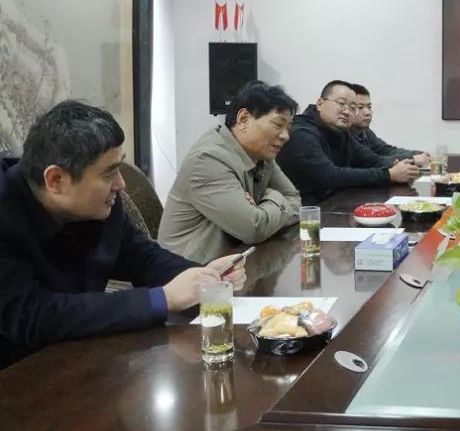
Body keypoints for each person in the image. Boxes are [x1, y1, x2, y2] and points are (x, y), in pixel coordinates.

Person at [0, 101, 246, 369]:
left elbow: (142, 257)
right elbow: (34, 316)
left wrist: (204, 278)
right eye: (109, 174)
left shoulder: (101, 205)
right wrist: (164, 298)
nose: (121, 184)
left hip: (79, 358)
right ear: (56, 180)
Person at [159, 80, 301, 262]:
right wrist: (274, 197)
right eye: (278, 125)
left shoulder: (262, 155)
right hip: (191, 270)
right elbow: (254, 229)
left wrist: (263, 210)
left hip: (235, 262)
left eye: (288, 128)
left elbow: (295, 200)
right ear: (243, 119)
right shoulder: (208, 159)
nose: (285, 136)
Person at [277, 81, 419, 204]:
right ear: (320, 103)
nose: (347, 112)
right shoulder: (301, 134)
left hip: (334, 202)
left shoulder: (340, 131)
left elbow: (370, 159)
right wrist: (388, 174)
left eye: (352, 108)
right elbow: (331, 176)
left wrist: (397, 165)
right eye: (341, 103)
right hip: (305, 211)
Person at [348, 83, 431, 168]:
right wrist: (412, 159)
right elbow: (374, 161)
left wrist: (417, 154)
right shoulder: (345, 136)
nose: (367, 113)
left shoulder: (365, 131)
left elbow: (386, 150)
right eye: (360, 107)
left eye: (369, 107)